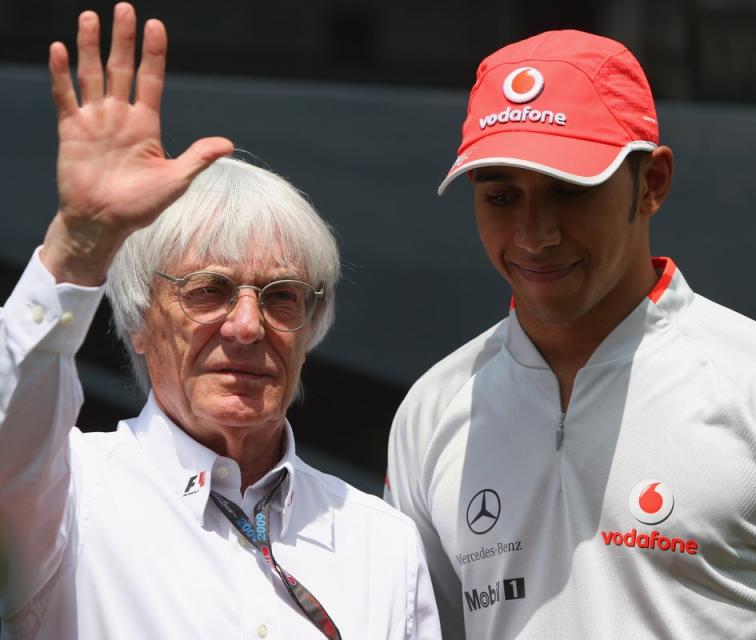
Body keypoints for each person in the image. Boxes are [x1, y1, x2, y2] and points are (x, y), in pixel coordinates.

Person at [385, 29, 756, 639]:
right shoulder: (430, 411)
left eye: (569, 191)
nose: (533, 233)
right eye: (500, 197)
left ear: (651, 183)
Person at [0, 4, 440, 638]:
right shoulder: (66, 496)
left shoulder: (383, 542)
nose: (246, 326)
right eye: (208, 290)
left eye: (282, 296)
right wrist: (79, 245)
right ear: (140, 323)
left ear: (310, 329)